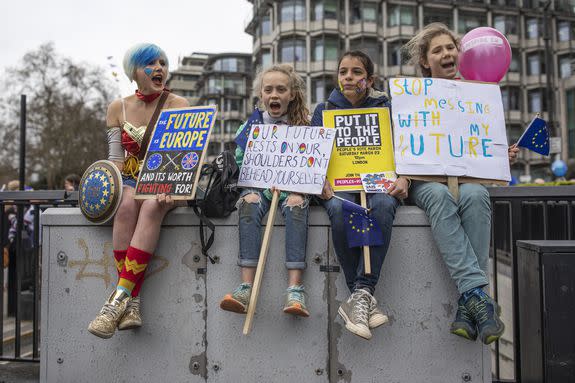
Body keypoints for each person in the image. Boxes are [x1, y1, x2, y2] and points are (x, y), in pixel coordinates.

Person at [403, 23, 519, 345]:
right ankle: (479, 296)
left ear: (460, 53)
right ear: (426, 61)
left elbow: (482, 144)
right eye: (437, 50)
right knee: (439, 196)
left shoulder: (477, 95)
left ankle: (470, 306)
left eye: (450, 47)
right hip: (426, 180)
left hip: (469, 179)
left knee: (476, 195)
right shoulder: (412, 97)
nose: (447, 54)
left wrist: (499, 155)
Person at [88, 43, 189, 339]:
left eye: (163, 63)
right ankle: (131, 303)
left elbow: (183, 155)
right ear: (134, 71)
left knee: (151, 205)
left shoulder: (178, 104)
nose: (160, 68)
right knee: (127, 203)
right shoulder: (117, 108)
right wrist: (107, 188)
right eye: (151, 63)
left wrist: (171, 184)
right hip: (131, 183)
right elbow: (115, 160)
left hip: (167, 182)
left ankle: (114, 303)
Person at [311, 51, 410, 340]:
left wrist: (405, 178)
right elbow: (315, 155)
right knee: (343, 212)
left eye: (356, 72)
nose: (349, 77)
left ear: (369, 79)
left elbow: (403, 147)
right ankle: (363, 295)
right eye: (343, 72)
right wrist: (318, 182)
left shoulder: (387, 107)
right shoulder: (324, 110)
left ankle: (359, 294)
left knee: (380, 207)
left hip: (379, 182)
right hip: (339, 183)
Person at [219, 64, 312, 317]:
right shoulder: (250, 127)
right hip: (259, 189)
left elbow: (313, 166)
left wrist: (299, 190)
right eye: (268, 89)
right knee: (248, 203)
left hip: (290, 189)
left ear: (291, 94)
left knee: (296, 205)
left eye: (281, 89)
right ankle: (246, 287)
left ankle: (295, 289)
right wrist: (248, 189)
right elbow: (239, 164)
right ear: (261, 94)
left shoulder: (305, 127)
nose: (274, 95)